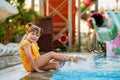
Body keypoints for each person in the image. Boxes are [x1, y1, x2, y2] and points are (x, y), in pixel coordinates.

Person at [19, 23, 86, 72]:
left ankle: (72, 68)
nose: (34, 36)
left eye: (37, 35)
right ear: (27, 33)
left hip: (36, 63)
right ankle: (74, 58)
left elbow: (37, 57)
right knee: (51, 54)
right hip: (31, 66)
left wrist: (46, 62)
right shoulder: (26, 43)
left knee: (56, 65)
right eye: (32, 34)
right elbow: (30, 58)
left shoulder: (33, 43)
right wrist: (37, 69)